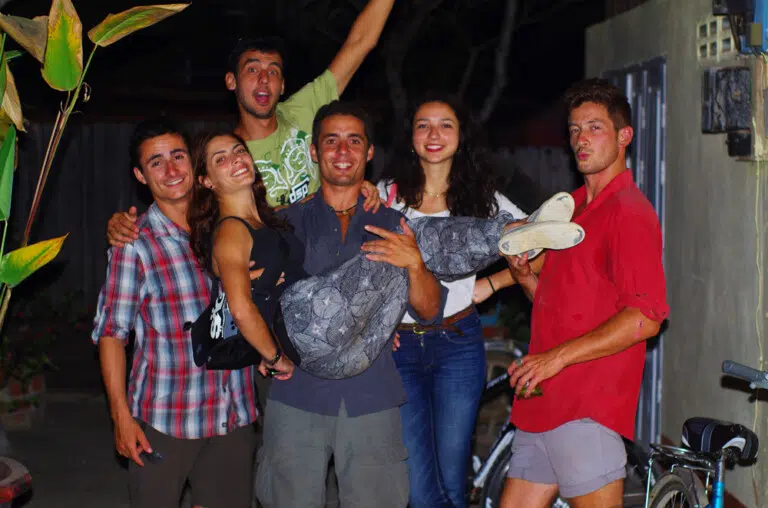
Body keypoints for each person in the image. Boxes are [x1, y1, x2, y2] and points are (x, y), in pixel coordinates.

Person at [254, 100, 444, 508]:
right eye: (331, 140)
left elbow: (430, 311)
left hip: (371, 394)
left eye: (354, 141)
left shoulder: (394, 225)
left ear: (369, 151)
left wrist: (415, 264)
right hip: (296, 393)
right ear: (314, 151)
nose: (343, 151)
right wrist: (265, 348)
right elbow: (252, 296)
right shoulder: (283, 224)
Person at [500, 78, 669, 508]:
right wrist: (525, 277)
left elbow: (645, 317)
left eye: (595, 127)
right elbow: (559, 306)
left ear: (624, 136)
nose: (581, 139)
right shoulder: (571, 208)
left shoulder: (629, 212)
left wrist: (555, 358)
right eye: (575, 129)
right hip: (541, 403)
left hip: (587, 408)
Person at [91, 118, 261, 508]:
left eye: (178, 156)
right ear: (140, 175)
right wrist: (120, 416)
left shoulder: (227, 223)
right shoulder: (134, 244)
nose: (171, 170)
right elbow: (112, 333)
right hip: (166, 417)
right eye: (156, 162)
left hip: (232, 411)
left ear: (193, 162)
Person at [376, 95, 526, 507]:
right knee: (418, 488)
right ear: (410, 137)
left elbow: (541, 243)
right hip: (399, 348)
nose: (434, 134)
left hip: (458, 344)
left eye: (446, 124)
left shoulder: (484, 201)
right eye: (423, 124)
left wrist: (491, 284)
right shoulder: (385, 196)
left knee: (452, 483)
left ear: (461, 136)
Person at [226, 0, 395, 207]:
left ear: (282, 86)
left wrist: (351, 185)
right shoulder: (228, 155)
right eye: (252, 70)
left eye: (273, 71)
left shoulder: (303, 108)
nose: (264, 79)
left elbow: (361, 42)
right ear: (231, 81)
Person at [188, 130, 302, 380]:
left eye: (239, 150)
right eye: (221, 159)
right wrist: (274, 358)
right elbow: (240, 309)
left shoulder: (265, 221)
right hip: (284, 364)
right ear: (207, 181)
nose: (236, 159)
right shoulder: (232, 229)